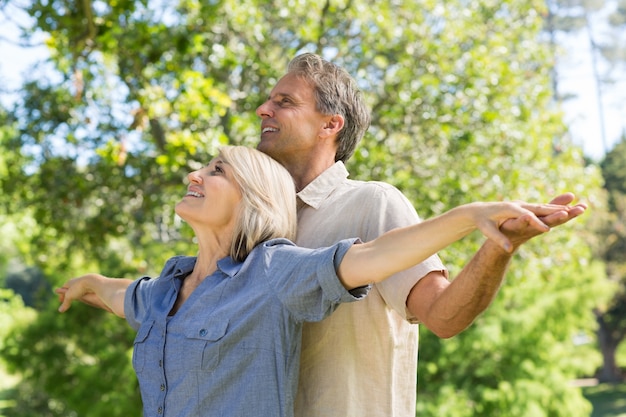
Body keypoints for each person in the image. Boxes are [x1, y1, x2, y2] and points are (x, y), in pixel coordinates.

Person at [56, 145, 571, 417]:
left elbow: (371, 257)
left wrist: (468, 217)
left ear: (253, 200)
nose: (194, 174)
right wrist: (88, 283)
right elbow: (125, 296)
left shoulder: (274, 270)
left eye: (216, 171)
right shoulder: (167, 288)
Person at [253, 53, 587, 417]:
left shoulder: (372, 203)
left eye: (284, 102)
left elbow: (444, 317)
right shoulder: (261, 225)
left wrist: (500, 247)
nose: (262, 110)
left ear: (330, 125)